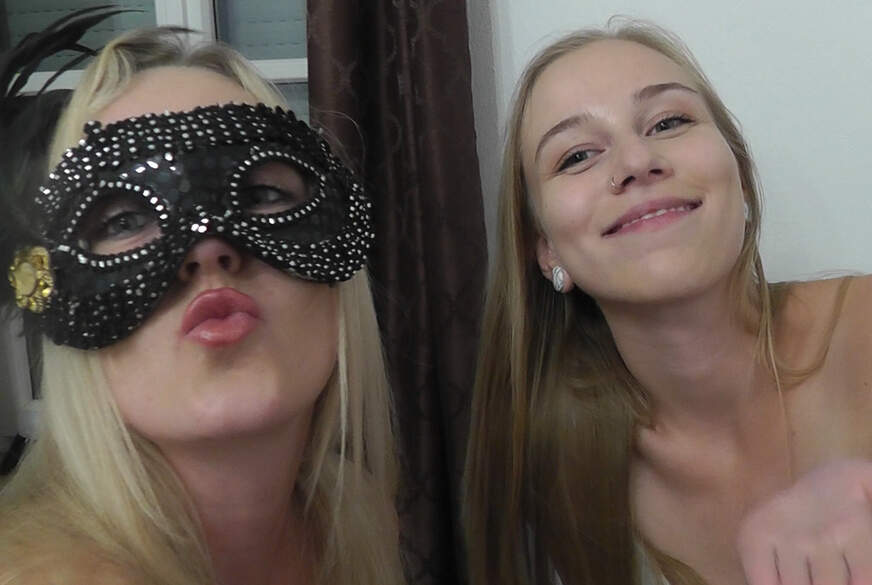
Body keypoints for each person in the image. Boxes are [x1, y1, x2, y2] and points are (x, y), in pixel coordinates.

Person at [463, 20, 872, 585]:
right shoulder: (552, 468)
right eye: (577, 156)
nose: (636, 161)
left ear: (740, 178)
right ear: (546, 249)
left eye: (669, 122)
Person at [0, 21, 404, 585]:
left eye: (263, 194)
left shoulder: (353, 518)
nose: (208, 247)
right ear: (53, 290)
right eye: (125, 221)